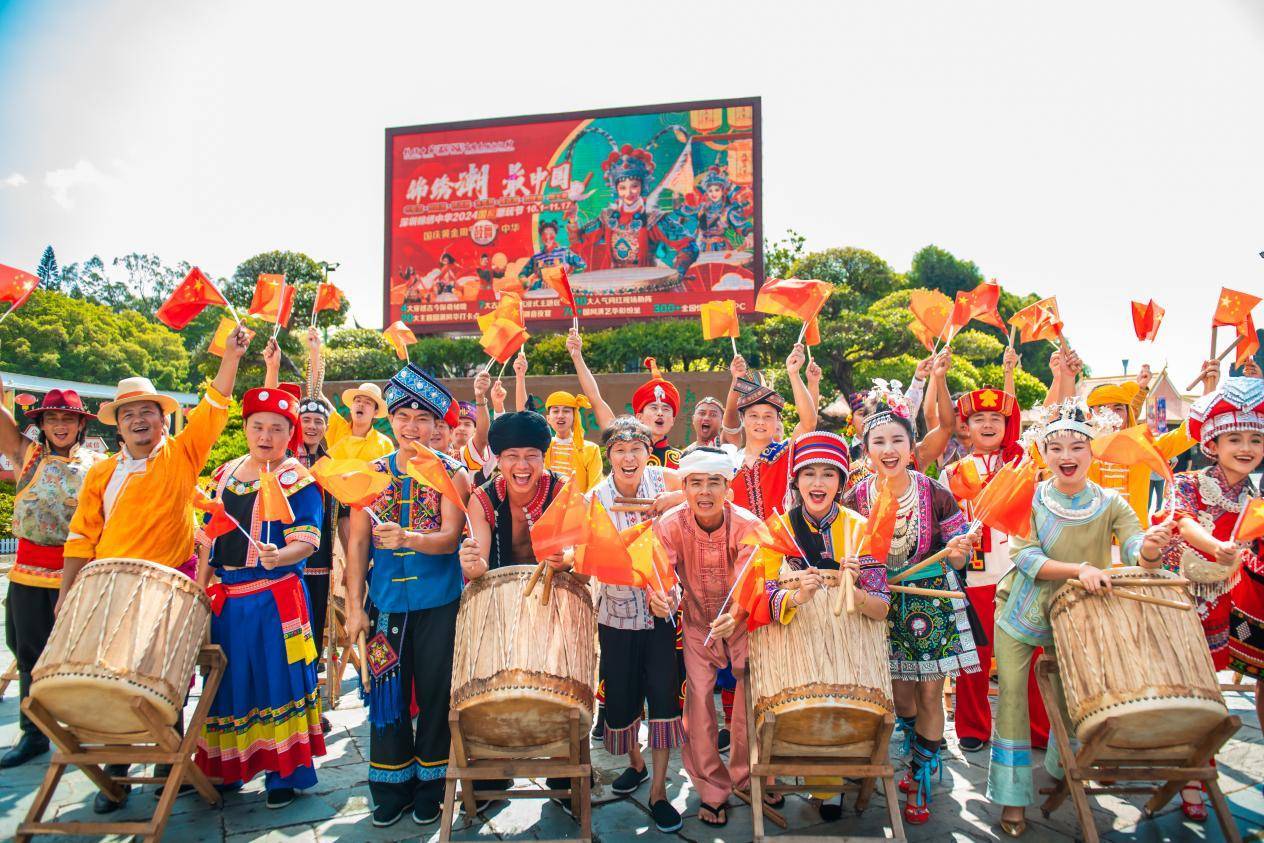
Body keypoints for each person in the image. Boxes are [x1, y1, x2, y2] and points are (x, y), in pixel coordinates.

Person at [64, 325, 249, 813]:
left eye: (147, 411)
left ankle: (170, 763)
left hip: (171, 583)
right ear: (118, 427)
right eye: (129, 414)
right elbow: (81, 537)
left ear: (162, 420)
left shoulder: (183, 454)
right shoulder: (101, 473)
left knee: (170, 676)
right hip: (110, 588)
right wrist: (66, 595)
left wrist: (230, 357)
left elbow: (214, 407)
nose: (139, 420)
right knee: (111, 677)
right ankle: (116, 771)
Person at [987, 398, 1173, 837]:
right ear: (1043, 453)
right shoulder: (1031, 498)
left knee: (1074, 699)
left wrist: (1150, 549)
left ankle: (1061, 769)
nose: (1066, 456)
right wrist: (1080, 569)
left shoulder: (1111, 503)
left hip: (1079, 616)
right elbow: (1026, 557)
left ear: (1093, 451)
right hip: (1021, 611)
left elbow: (1136, 549)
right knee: (1011, 698)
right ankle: (1012, 796)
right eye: (1055, 448)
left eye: (1076, 447)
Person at [842, 380, 979, 825]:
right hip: (880, 603)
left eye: (897, 440)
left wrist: (958, 549)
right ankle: (918, 745)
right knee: (901, 697)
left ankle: (920, 775)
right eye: (878, 442)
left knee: (931, 692)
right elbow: (843, 545)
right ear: (866, 451)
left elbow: (959, 555)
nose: (888, 449)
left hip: (929, 600)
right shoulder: (855, 497)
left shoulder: (935, 491)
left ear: (911, 446)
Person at [344, 363, 470, 828]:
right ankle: (390, 785)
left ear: (436, 426)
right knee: (386, 692)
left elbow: (451, 538)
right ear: (390, 420)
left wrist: (408, 538)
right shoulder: (370, 474)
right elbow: (358, 544)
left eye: (422, 419)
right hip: (385, 605)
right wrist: (354, 607)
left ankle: (432, 786)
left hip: (440, 603)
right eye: (403, 417)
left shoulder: (452, 473)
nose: (412, 427)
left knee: (437, 692)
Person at [194, 383, 326, 808]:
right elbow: (209, 539)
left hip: (276, 599)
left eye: (276, 428)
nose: (266, 436)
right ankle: (228, 767)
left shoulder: (297, 479)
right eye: (257, 427)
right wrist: (199, 590)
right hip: (228, 601)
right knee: (228, 683)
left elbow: (308, 539)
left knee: (278, 681)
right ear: (246, 428)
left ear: (290, 434)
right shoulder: (225, 474)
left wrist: (279, 555)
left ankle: (284, 773)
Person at [755, 431, 891, 821]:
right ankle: (822, 783)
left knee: (842, 711)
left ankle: (836, 780)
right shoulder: (777, 530)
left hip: (850, 649)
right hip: (795, 647)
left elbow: (881, 607)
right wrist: (796, 596)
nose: (818, 482)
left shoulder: (861, 529)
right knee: (806, 710)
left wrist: (854, 589)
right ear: (796, 481)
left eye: (828, 474)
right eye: (809, 473)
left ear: (841, 482)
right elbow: (760, 597)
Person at [1153, 373, 1263, 820]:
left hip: (1233, 603)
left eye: (1256, 439)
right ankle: (1194, 774)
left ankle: (1193, 768)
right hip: (1182, 600)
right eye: (1234, 438)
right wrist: (1217, 547)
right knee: (1192, 691)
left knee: (1212, 691)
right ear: (1212, 445)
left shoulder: (1257, 496)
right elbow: (1182, 522)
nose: (1246, 447)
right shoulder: (1188, 483)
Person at [459, 411, 576, 814]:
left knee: (561, 689)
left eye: (531, 456)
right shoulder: (482, 498)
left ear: (544, 458)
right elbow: (478, 561)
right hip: (499, 603)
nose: (522, 465)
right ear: (498, 459)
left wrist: (567, 558)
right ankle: (492, 774)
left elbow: (576, 550)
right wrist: (472, 564)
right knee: (492, 689)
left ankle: (565, 773)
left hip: (554, 600)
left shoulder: (562, 489)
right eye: (511, 455)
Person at [940, 366, 1050, 756]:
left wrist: (1058, 376)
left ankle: (1038, 727)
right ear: (966, 426)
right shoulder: (951, 473)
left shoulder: (1025, 465)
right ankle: (973, 726)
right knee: (974, 656)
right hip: (975, 576)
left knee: (1029, 654)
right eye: (978, 418)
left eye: (995, 419)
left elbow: (1052, 418)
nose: (987, 425)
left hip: (1021, 573)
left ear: (1007, 426)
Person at [651, 446, 762, 828]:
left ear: (727, 488)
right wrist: (662, 598)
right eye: (695, 482)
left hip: (743, 623)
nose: (704, 491)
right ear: (683, 488)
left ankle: (751, 778)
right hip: (698, 623)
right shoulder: (669, 524)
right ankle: (713, 790)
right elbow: (661, 575)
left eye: (714, 482)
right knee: (698, 704)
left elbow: (754, 578)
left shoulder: (747, 525)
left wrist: (737, 614)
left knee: (751, 702)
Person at [587, 417, 684, 833]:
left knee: (663, 701)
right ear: (609, 455)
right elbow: (580, 552)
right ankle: (637, 764)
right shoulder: (595, 499)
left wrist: (676, 497)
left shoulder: (665, 482)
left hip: (663, 612)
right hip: (617, 615)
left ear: (648, 452)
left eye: (636, 449)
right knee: (622, 699)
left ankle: (659, 791)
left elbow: (718, 489)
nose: (629, 458)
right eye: (620, 450)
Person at [0, 388, 105, 768]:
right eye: (52, 419)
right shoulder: (26, 455)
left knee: (81, 656)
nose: (60, 426)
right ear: (41, 424)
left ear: (80, 424)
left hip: (78, 573)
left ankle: (88, 728)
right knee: (27, 651)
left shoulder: (99, 464)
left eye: (67, 419)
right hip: (29, 572)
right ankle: (34, 733)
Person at [1083, 363, 1201, 524]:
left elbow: (1185, 434)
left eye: (1118, 409)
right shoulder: (1080, 450)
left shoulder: (1141, 447)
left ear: (1127, 414)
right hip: (1091, 536)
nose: (1112, 416)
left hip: (1135, 536)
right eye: (1103, 409)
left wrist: (1209, 391)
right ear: (1090, 416)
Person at [721, 344, 819, 520]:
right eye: (753, 415)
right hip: (740, 537)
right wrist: (736, 380)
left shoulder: (785, 454)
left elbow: (808, 423)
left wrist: (794, 374)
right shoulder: (730, 461)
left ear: (777, 420)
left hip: (782, 536)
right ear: (743, 418)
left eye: (768, 416)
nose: (760, 422)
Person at [569, 328, 684, 468]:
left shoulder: (683, 459)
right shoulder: (621, 441)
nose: (660, 413)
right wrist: (577, 357)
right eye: (654, 407)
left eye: (666, 409)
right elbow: (595, 398)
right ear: (639, 417)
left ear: (672, 420)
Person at [512, 350, 603, 491]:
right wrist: (520, 376)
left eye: (566, 411)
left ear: (574, 416)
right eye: (555, 411)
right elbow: (524, 417)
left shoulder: (591, 450)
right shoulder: (542, 447)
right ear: (548, 418)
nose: (560, 415)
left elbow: (595, 490)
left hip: (578, 504)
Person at [518, 219, 586, 291]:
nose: (547, 237)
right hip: (541, 291)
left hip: (562, 290)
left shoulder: (564, 251)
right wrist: (527, 284)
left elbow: (582, 265)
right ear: (541, 236)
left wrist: (569, 278)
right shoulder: (536, 257)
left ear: (555, 235)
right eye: (544, 234)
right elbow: (522, 275)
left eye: (551, 234)